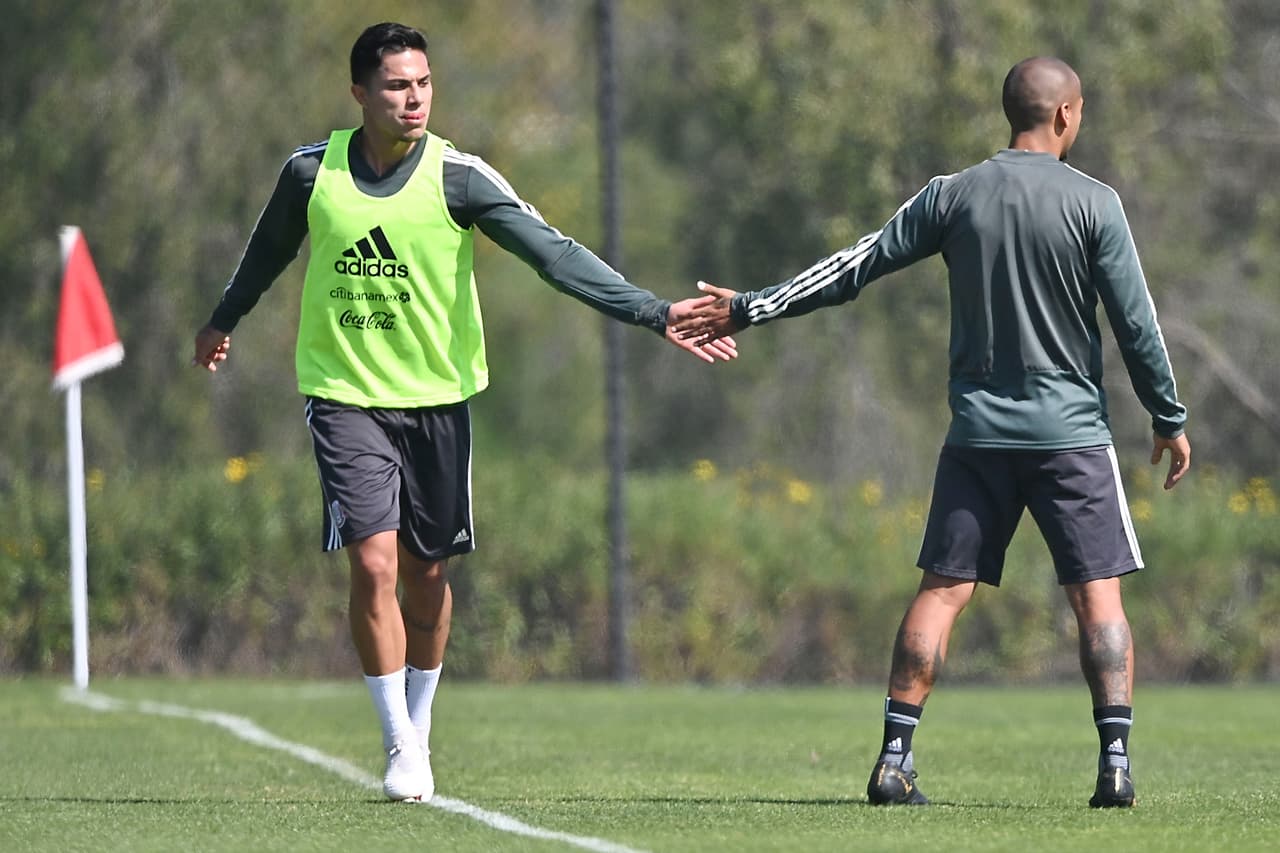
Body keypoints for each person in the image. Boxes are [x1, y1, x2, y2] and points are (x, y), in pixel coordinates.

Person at [192, 21, 735, 803]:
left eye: (423, 84)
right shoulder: (312, 175)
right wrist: (223, 320)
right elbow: (269, 248)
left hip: (439, 400)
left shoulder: (461, 177)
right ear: (358, 94)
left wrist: (654, 313)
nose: (413, 99)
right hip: (345, 394)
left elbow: (554, 254)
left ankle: (420, 723)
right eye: (395, 86)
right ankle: (396, 744)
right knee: (373, 562)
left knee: (427, 572)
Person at [673, 56, 1190, 808]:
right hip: (1072, 436)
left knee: (943, 591)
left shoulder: (952, 195)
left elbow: (853, 267)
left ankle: (893, 758)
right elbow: (1137, 325)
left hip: (979, 435)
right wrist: (1169, 418)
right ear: (1066, 116)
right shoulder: (1095, 204)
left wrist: (751, 306)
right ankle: (1115, 764)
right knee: (1097, 597)